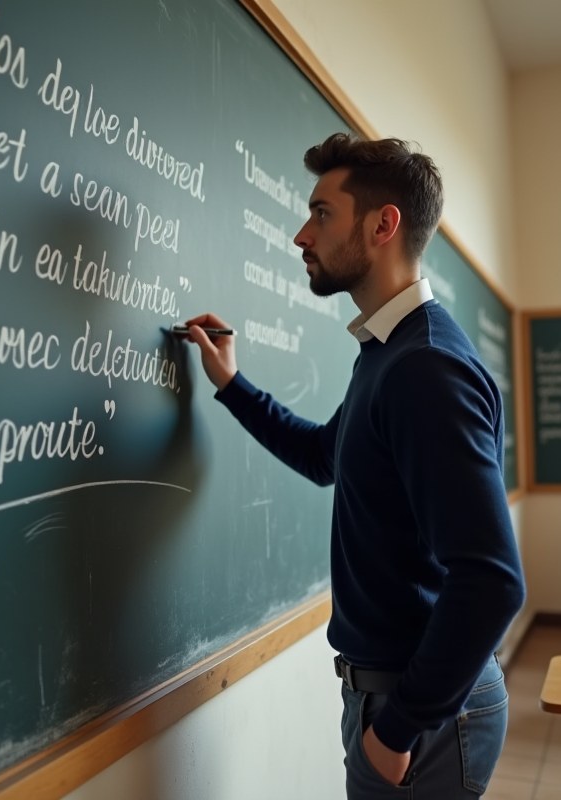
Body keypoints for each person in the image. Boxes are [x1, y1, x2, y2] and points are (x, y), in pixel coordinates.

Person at [183, 133, 525, 799]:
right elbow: (322, 456)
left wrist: (397, 731)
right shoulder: (387, 354)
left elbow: (492, 580)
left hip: (420, 712)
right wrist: (232, 385)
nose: (300, 235)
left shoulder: (424, 368)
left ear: (382, 224)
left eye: (320, 213)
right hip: (404, 700)